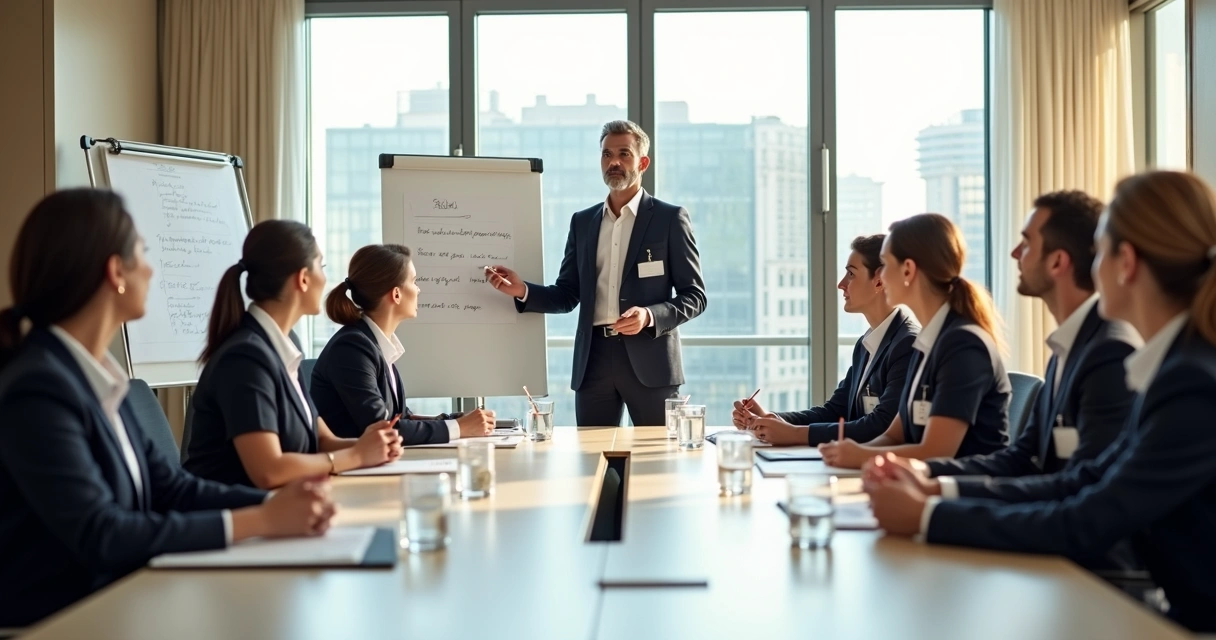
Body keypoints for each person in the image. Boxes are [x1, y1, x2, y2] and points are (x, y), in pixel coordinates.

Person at [864, 171, 1216, 633]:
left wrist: (927, 515)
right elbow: (1084, 476)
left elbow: (1088, 515)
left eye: (1100, 251)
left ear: (1126, 263)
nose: (1093, 266)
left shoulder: (1188, 380)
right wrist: (938, 491)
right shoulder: (1172, 366)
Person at [0, 190, 335, 628]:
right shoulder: (39, 387)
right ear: (116, 272)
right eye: (143, 253)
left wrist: (278, 502)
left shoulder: (95, 377)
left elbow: (173, 489)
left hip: (121, 601)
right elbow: (103, 533)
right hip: (64, 622)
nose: (151, 268)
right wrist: (261, 519)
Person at [908, 191, 1140, 486]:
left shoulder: (1109, 352)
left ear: (1057, 262)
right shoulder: (1067, 347)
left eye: (1027, 243)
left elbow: (1081, 488)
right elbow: (1021, 458)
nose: (1015, 253)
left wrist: (934, 499)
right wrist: (926, 475)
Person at [485, 120, 707, 427]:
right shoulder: (583, 222)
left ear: (643, 163)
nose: (614, 162)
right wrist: (522, 290)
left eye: (624, 154)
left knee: (657, 452)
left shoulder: (670, 219)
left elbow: (695, 297)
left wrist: (649, 316)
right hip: (593, 362)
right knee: (593, 452)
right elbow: (567, 294)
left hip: (651, 360)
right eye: (606, 154)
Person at [183, 220, 403, 489]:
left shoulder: (283, 345)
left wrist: (372, 447)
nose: (325, 279)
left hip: (281, 503)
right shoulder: (245, 358)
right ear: (303, 278)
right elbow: (269, 470)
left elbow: (322, 440)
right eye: (321, 266)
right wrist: (357, 455)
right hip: (235, 509)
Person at [819, 214, 1010, 468]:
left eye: (885, 265)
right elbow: (893, 436)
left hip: (961, 488)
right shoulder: (926, 343)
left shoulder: (963, 344)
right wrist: (849, 452)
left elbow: (936, 451)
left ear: (908, 270)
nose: (880, 276)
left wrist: (861, 456)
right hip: (919, 482)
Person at [732, 234, 919, 445]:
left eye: (851, 274)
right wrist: (770, 420)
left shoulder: (908, 344)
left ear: (879, 282)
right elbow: (835, 412)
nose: (841, 284)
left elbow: (882, 425)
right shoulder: (866, 344)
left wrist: (794, 434)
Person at [310, 244, 495, 444]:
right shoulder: (351, 348)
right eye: (414, 281)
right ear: (396, 294)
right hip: (352, 462)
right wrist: (459, 427)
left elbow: (401, 417)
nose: (419, 289)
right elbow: (384, 428)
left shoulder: (375, 344)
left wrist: (455, 421)